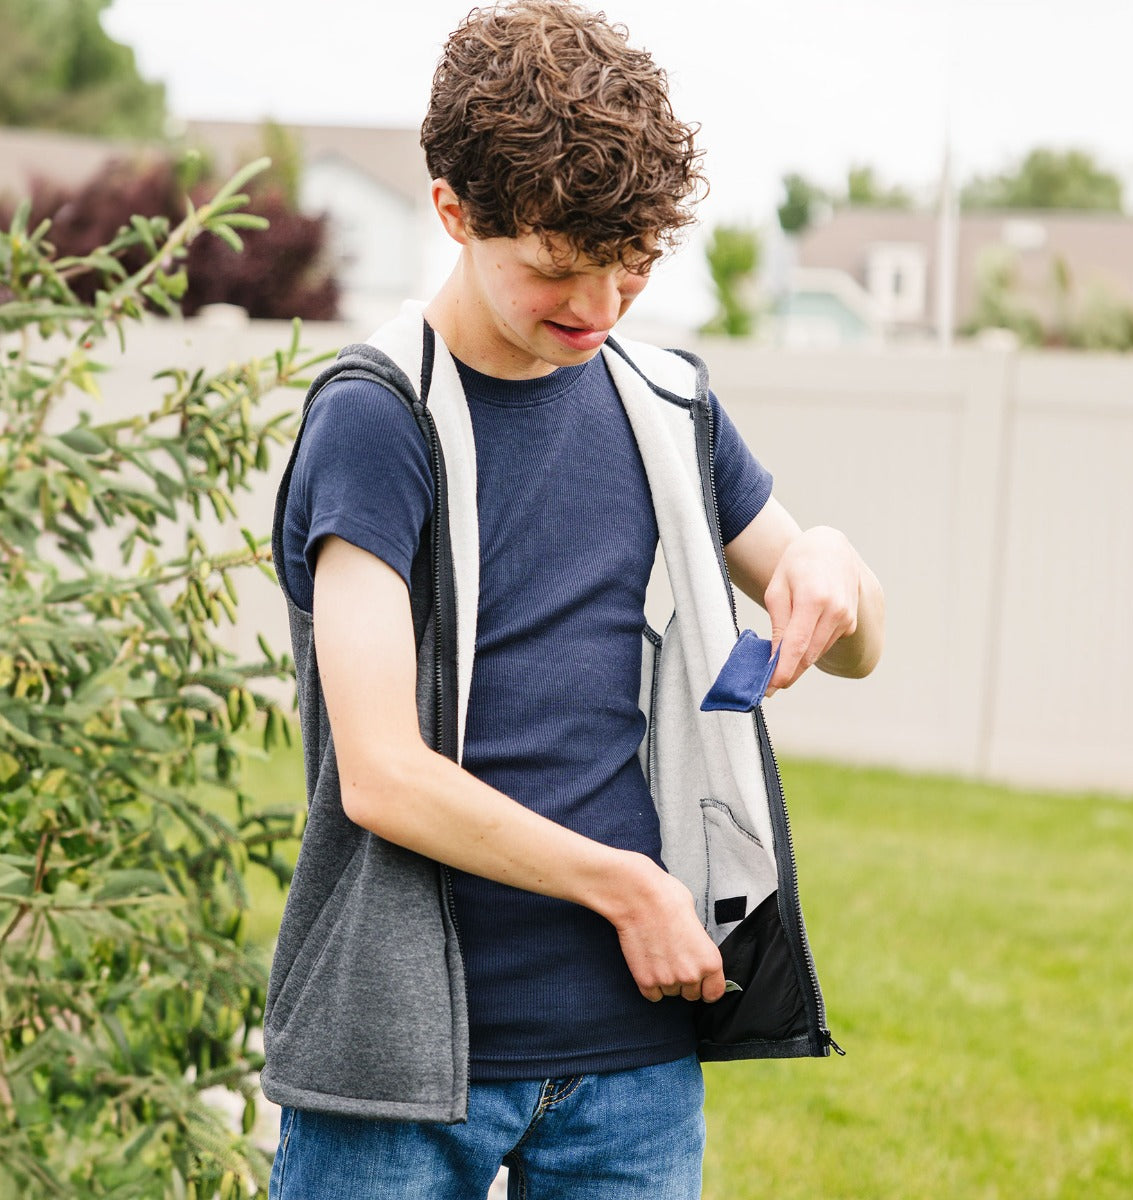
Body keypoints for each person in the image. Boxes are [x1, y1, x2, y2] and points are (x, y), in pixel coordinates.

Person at [261, 3, 884, 1197]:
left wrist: (833, 563)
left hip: (633, 1062)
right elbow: (381, 771)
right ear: (452, 209)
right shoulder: (376, 421)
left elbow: (855, 649)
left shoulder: (665, 402)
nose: (601, 306)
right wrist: (625, 884)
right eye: (556, 266)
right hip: (405, 1071)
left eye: (635, 262)